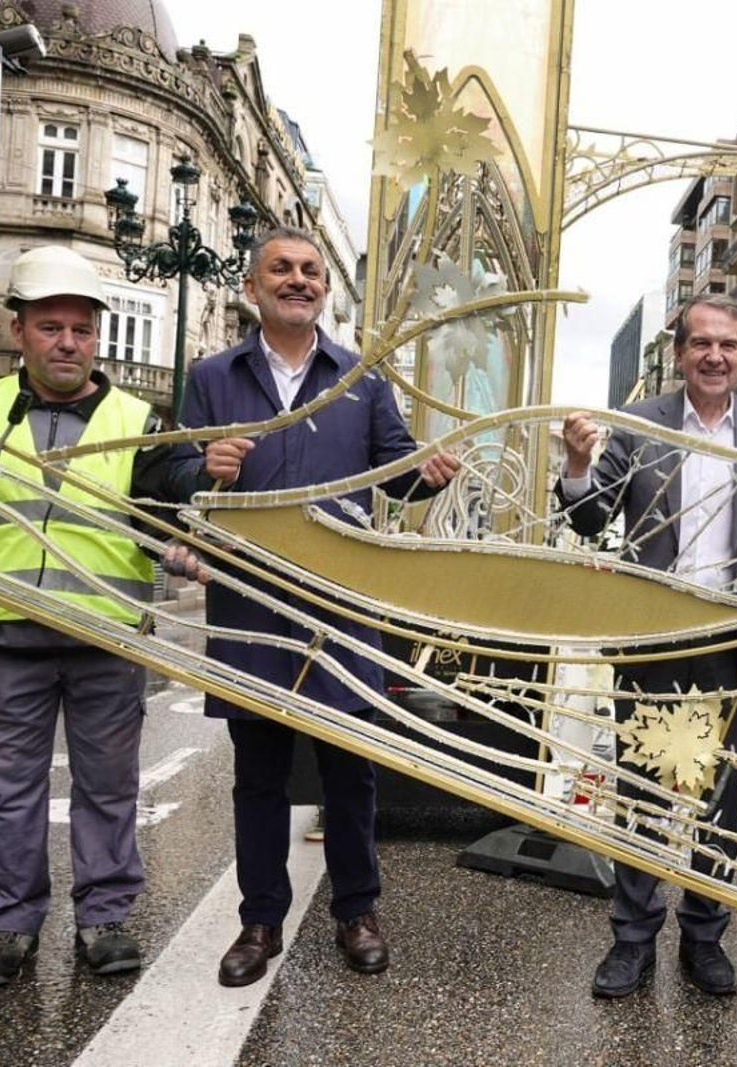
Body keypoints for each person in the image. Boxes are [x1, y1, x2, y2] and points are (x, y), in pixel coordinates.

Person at [0, 245, 207, 989]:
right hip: (5, 633)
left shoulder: (138, 419)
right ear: (20, 332)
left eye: (81, 328)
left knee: (108, 786)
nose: (68, 341)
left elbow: (172, 504)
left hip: (104, 636)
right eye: (51, 327)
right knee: (10, 789)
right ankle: (10, 927)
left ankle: (103, 919)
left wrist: (184, 530)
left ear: (98, 336)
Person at [175, 226, 459, 988]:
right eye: (282, 269)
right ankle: (259, 920)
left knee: (349, 771)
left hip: (341, 607)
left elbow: (394, 470)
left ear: (323, 289)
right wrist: (200, 463)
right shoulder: (212, 375)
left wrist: (427, 476)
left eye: (310, 271)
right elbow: (170, 468)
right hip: (252, 604)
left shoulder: (360, 376)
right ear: (252, 285)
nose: (298, 280)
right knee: (259, 770)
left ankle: (356, 910)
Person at [557, 294, 737, 999]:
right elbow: (592, 518)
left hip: (735, 638)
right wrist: (577, 464)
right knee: (643, 786)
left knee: (725, 791)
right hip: (653, 631)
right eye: (701, 343)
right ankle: (633, 938)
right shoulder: (639, 422)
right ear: (681, 352)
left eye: (728, 344)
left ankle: (705, 937)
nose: (715, 355)